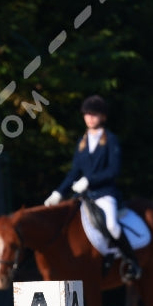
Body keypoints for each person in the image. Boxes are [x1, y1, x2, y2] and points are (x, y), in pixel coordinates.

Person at [44, 94, 140, 281]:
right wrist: (58, 192)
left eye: (94, 114)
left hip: (105, 194)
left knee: (111, 225)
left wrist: (89, 180)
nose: (90, 118)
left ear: (102, 117)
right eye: (87, 114)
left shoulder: (110, 140)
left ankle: (132, 262)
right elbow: (73, 172)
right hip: (86, 197)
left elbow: (113, 170)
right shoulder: (82, 142)